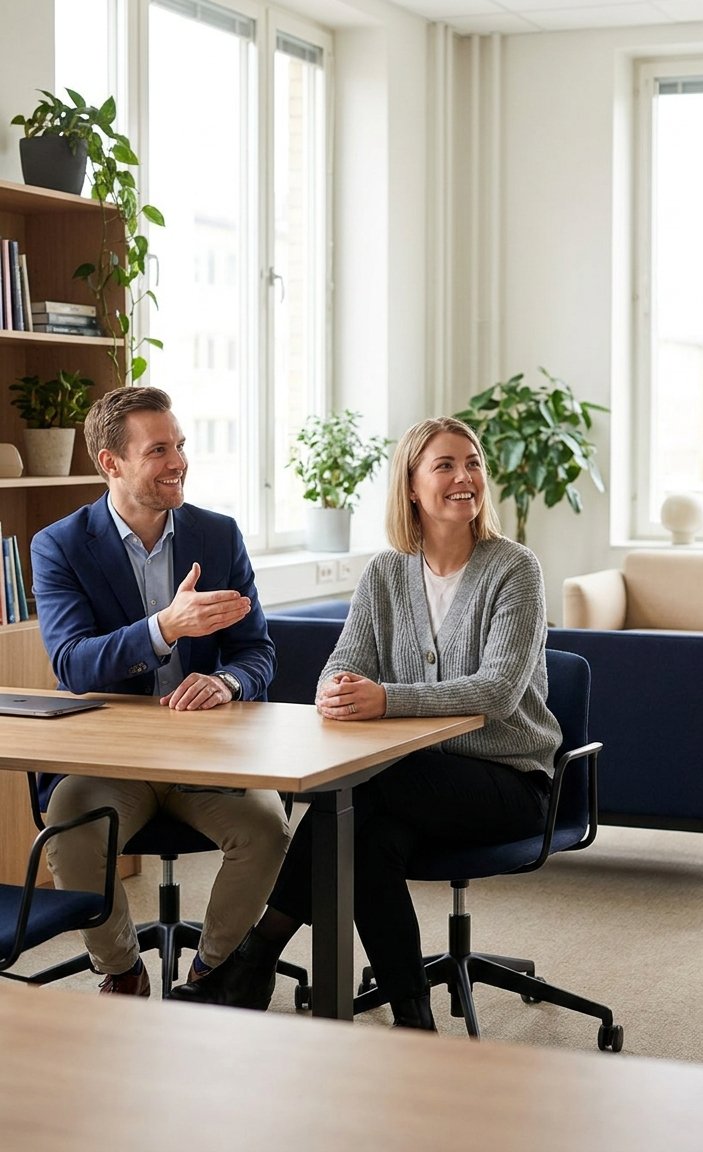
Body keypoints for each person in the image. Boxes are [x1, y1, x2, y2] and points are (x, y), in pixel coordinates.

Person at [171, 415, 561, 1026]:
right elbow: (339, 667)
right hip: (409, 787)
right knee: (364, 835)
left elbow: (499, 692)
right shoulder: (386, 572)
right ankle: (413, 1017)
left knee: (359, 791)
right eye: (445, 466)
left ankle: (254, 957)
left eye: (474, 463)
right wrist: (337, 692)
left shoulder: (515, 569)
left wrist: (386, 700)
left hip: (508, 780)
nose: (466, 478)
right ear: (410, 486)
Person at [32, 386, 291, 997]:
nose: (178, 461)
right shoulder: (61, 545)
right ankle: (123, 971)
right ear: (110, 463)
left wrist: (227, 681)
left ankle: (211, 971)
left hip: (206, 755)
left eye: (179, 446)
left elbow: (258, 651)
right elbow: (72, 664)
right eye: (158, 450)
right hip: (111, 758)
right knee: (70, 828)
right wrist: (164, 628)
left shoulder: (218, 536)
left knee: (267, 828)